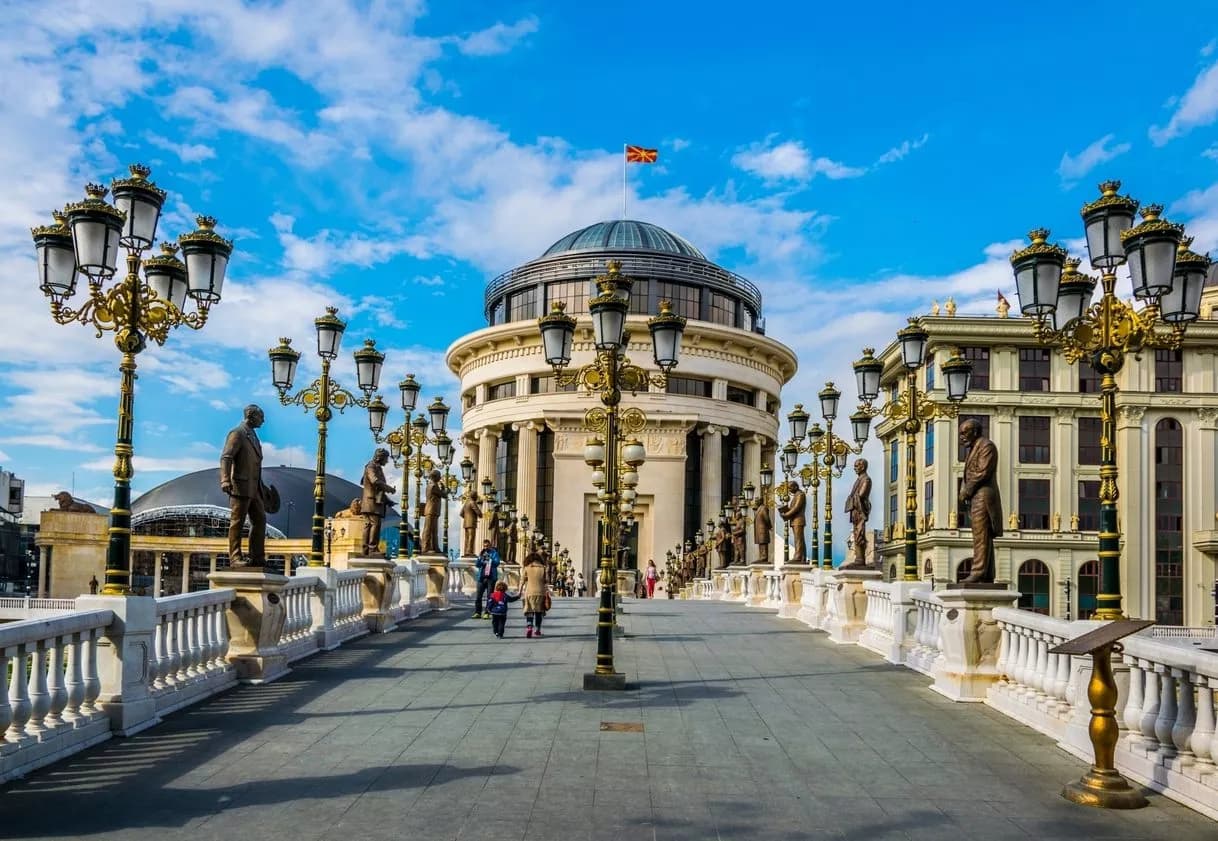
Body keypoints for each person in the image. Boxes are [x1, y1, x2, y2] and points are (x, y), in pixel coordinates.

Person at [220, 404, 267, 568]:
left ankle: (257, 557)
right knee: (237, 522)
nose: (263, 420)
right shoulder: (238, 433)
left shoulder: (253, 436)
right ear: (251, 416)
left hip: (255, 488)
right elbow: (226, 457)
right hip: (240, 486)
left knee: (260, 520)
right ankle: (235, 557)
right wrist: (225, 479)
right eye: (261, 417)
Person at [958, 418, 1003, 583]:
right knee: (982, 535)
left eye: (964, 433)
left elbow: (982, 472)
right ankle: (987, 573)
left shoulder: (986, 446)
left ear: (975, 432)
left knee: (981, 535)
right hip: (977, 495)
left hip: (983, 496)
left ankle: (978, 571)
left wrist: (967, 491)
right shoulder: (974, 448)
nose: (961, 437)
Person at [360, 448, 396, 557]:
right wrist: (389, 488)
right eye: (386, 458)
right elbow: (375, 481)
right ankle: (372, 549)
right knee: (374, 524)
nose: (387, 461)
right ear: (380, 457)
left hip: (372, 501)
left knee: (369, 525)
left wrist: (388, 501)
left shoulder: (376, 467)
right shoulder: (371, 467)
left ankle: (367, 549)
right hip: (371, 502)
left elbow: (378, 490)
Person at [843, 459, 873, 569]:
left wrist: (851, 499)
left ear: (863, 467)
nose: (855, 468)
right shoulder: (859, 480)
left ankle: (860, 559)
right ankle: (858, 558)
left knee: (859, 533)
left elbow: (860, 495)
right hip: (855, 510)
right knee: (856, 533)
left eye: (857, 466)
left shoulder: (866, 479)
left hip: (860, 510)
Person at [520, 551, 549, 638]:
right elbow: (545, 581)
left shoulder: (527, 568)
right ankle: (537, 630)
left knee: (529, 611)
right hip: (541, 592)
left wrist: (519, 591)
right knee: (539, 612)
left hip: (529, 592)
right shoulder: (543, 568)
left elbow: (522, 581)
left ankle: (529, 627)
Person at [779, 481, 807, 564]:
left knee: (798, 539)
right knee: (799, 539)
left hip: (798, 520)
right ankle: (802, 557)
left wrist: (786, 515)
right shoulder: (796, 495)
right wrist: (784, 510)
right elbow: (792, 508)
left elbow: (796, 508)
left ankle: (798, 556)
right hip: (795, 520)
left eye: (790, 488)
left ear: (795, 487)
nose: (789, 490)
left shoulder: (800, 495)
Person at [473, 539, 501, 618]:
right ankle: (477, 612)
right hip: (481, 577)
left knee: (489, 596)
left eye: (487, 546)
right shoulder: (481, 553)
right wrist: (480, 559)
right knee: (478, 596)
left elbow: (497, 563)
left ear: (490, 546)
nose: (486, 547)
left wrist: (490, 559)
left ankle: (487, 612)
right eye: (484, 546)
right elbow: (477, 565)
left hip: (491, 577)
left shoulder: (494, 553)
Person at [420, 469, 444, 554]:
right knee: (428, 529)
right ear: (435, 477)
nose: (440, 477)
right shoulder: (433, 486)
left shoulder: (433, 485)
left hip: (433, 510)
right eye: (439, 476)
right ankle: (425, 548)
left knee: (434, 530)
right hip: (431, 510)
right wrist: (445, 489)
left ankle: (434, 547)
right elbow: (443, 494)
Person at [460, 491, 481, 557]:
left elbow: (461, 513)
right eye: (476, 495)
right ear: (474, 496)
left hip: (466, 523)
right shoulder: (472, 502)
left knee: (467, 538)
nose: (477, 497)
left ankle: (466, 551)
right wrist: (480, 515)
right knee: (471, 537)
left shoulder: (466, 503)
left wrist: (466, 518)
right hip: (471, 523)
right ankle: (470, 552)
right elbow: (478, 512)